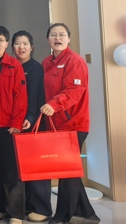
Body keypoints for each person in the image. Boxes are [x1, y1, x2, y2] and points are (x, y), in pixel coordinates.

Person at [41, 23, 100, 224]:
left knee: (67, 172)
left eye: (62, 35)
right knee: (68, 171)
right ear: (48, 39)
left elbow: (74, 91)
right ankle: (86, 213)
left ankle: (63, 216)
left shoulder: (75, 61)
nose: (57, 38)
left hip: (73, 124)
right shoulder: (47, 62)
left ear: (69, 38)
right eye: (53, 35)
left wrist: (54, 104)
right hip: (55, 125)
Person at [0, 25, 27, 224]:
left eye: (1, 40)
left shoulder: (13, 65)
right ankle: (1, 209)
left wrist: (16, 122)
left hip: (8, 125)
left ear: (7, 43)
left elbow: (21, 96)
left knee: (11, 170)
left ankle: (16, 213)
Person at [11, 30, 52, 223]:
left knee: (37, 167)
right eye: (17, 43)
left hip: (32, 122)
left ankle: (42, 208)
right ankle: (26, 206)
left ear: (32, 47)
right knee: (21, 168)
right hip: (15, 123)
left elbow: (35, 96)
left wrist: (30, 116)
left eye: (25, 44)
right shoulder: (11, 66)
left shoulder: (35, 68)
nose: (21, 47)